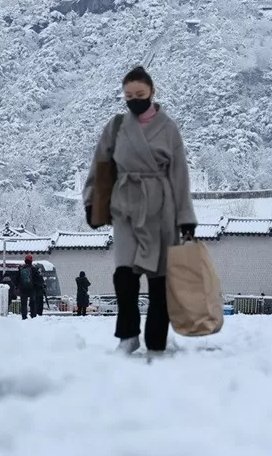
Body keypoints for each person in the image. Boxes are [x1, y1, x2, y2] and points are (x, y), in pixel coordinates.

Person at [83, 66, 198, 354]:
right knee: (124, 275)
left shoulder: (168, 127)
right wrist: (91, 202)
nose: (134, 99)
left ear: (152, 93)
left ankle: (156, 339)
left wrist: (186, 218)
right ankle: (128, 335)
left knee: (160, 280)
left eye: (140, 94)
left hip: (161, 208)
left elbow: (180, 174)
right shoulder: (117, 126)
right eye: (129, 95)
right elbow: (101, 164)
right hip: (125, 207)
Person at [17, 255, 39, 319]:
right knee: (32, 302)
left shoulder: (21, 269)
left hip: (23, 289)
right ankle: (33, 315)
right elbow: (38, 279)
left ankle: (24, 316)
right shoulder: (34, 269)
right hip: (32, 289)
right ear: (31, 261)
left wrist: (17, 286)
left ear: (25, 261)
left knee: (23, 303)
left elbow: (17, 278)